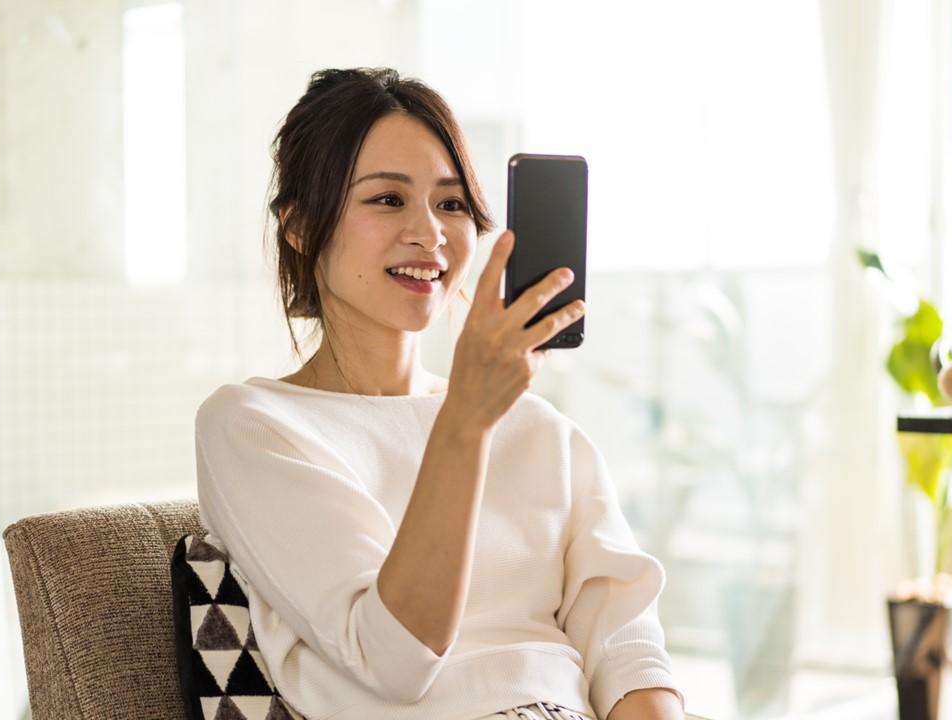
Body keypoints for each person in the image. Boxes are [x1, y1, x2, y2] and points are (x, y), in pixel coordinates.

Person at [194, 67, 685, 720]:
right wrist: (467, 421)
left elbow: (625, 646)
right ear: (302, 227)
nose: (430, 232)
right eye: (387, 200)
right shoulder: (256, 426)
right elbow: (396, 658)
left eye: (451, 204)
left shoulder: (539, 428)